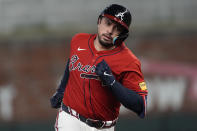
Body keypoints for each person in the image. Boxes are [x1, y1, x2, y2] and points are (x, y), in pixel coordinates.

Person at [50, 4, 148, 131]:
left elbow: (140, 105)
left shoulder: (129, 61)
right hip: (70, 119)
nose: (110, 31)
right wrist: (61, 89)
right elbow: (72, 62)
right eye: (108, 23)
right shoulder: (78, 40)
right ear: (99, 20)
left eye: (117, 28)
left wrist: (112, 82)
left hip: (102, 127)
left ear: (123, 35)